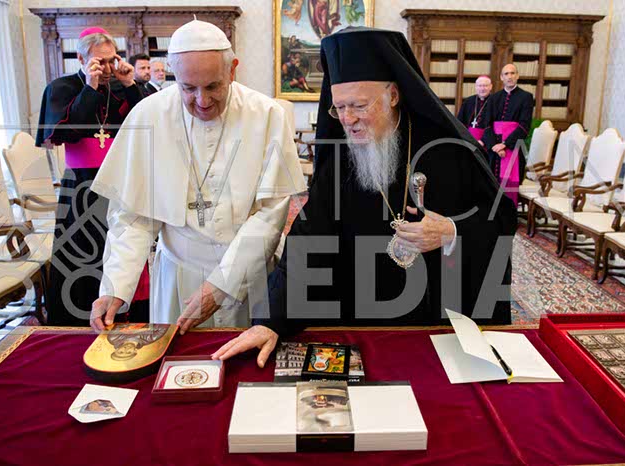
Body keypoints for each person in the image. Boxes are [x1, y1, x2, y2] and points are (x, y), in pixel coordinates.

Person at [211, 27, 517, 367]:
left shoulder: (450, 150)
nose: (348, 119)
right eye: (339, 107)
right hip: (359, 316)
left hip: (436, 319)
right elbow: (309, 239)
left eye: (359, 105)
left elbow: (501, 219)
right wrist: (271, 320)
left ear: (393, 95)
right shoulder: (341, 157)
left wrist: (451, 231)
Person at [89, 19, 307, 332]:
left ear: (232, 70)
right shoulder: (149, 115)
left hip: (249, 273)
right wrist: (115, 285)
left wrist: (223, 283)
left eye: (213, 86)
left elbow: (270, 214)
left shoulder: (266, 115)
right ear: (174, 74)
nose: (202, 101)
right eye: (188, 88)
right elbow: (134, 216)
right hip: (179, 276)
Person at [36, 27, 150, 326]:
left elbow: (144, 120)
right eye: (100, 61)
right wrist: (90, 86)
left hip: (120, 181)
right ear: (81, 59)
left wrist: (129, 84)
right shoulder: (62, 87)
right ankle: (78, 317)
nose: (108, 68)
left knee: (123, 244)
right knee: (83, 251)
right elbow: (67, 131)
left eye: (112, 60)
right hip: (81, 185)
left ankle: (127, 312)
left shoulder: (121, 87)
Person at [481, 64, 534, 206]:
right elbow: (487, 125)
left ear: (517, 76)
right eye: (506, 74)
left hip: (514, 148)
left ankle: (508, 215)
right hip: (494, 151)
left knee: (509, 188)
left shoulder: (526, 97)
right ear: (501, 77)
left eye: (512, 73)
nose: (509, 77)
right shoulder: (493, 98)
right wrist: (494, 145)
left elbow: (524, 126)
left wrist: (505, 144)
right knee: (491, 184)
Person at [456, 75, 492, 142]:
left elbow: (494, 126)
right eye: (479, 86)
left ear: (490, 87)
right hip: (468, 139)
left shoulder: (494, 101)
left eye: (485, 86)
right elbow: (460, 122)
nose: (482, 89)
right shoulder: (468, 101)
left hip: (487, 140)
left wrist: (484, 140)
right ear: (475, 87)